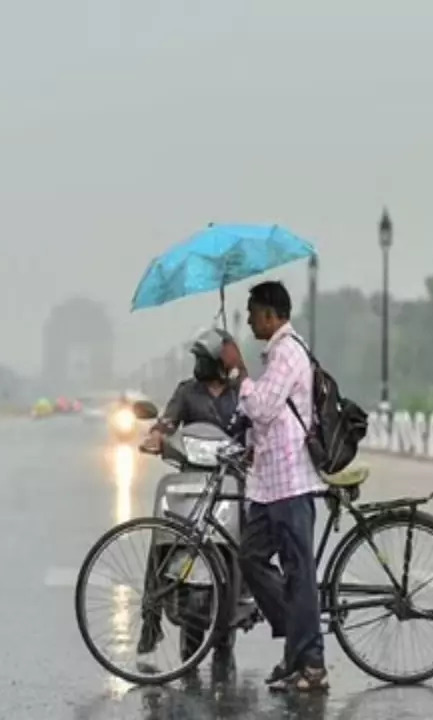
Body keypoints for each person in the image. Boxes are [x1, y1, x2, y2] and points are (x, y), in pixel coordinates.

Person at [220, 280, 329, 692]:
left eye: (252, 312)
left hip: (291, 482)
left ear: (270, 314)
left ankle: (311, 662)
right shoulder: (276, 354)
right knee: (250, 557)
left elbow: (263, 407)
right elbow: (268, 413)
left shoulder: (286, 352)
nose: (248, 319)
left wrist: (239, 373)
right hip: (268, 483)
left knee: (300, 574)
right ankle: (296, 640)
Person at [136, 327, 244, 656]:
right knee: (161, 540)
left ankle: (243, 596)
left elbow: (255, 429)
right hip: (190, 482)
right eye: (197, 359)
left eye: (204, 359)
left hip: (229, 483)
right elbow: (167, 422)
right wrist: (156, 436)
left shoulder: (242, 394)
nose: (199, 365)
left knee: (248, 542)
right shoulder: (187, 392)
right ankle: (150, 616)